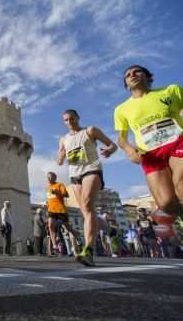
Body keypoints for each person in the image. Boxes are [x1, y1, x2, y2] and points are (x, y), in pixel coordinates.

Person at [115, 65, 183, 277]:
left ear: (148, 77)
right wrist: (129, 150)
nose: (132, 75)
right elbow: (121, 139)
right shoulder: (121, 109)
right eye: (127, 75)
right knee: (166, 204)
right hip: (150, 153)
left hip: (181, 141)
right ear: (126, 84)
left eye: (137, 72)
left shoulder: (171, 91)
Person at [58, 109, 117, 266]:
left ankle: (88, 251)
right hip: (74, 175)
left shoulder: (90, 130)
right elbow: (60, 157)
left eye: (72, 118)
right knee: (86, 211)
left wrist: (109, 150)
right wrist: (61, 156)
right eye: (66, 120)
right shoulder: (63, 139)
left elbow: (113, 145)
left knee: (87, 204)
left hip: (92, 169)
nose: (69, 122)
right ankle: (108, 229)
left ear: (78, 117)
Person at [45, 171, 82, 255]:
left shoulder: (60, 185)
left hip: (61, 210)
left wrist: (57, 193)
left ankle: (77, 236)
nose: (48, 179)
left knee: (68, 228)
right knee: (50, 226)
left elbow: (66, 195)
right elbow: (50, 199)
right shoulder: (47, 187)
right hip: (51, 210)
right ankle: (55, 246)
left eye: (50, 177)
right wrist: (48, 204)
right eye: (47, 177)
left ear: (54, 178)